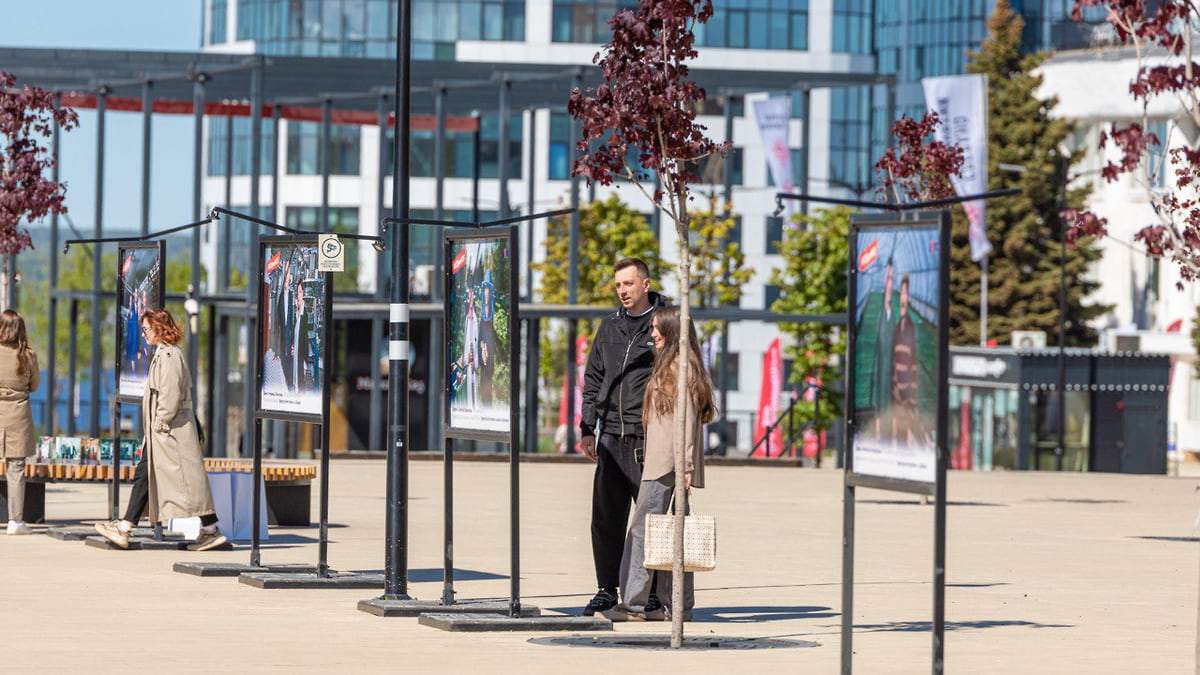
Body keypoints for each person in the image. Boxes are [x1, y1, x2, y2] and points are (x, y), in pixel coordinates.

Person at [604, 306, 714, 622]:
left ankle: (635, 605)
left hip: (669, 464)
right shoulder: (673, 365)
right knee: (674, 534)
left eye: (657, 328)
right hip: (666, 462)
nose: (653, 334)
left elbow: (687, 418)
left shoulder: (680, 369)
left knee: (644, 532)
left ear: (671, 331)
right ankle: (678, 605)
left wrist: (686, 466)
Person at [578, 257, 669, 616]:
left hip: (649, 439)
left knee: (651, 523)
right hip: (610, 438)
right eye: (618, 285)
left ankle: (649, 593)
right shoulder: (610, 326)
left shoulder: (666, 325)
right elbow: (594, 379)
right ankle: (606, 589)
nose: (622, 291)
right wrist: (588, 427)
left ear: (645, 285)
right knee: (605, 518)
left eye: (628, 284)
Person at [139, 308, 226, 551]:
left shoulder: (169, 356)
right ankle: (210, 528)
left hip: (171, 430)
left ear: (158, 328)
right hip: (168, 430)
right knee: (177, 479)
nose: (144, 334)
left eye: (146, 329)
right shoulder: (165, 353)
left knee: (189, 481)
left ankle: (211, 529)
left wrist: (159, 422)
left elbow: (170, 394)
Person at [0, 311, 39, 535]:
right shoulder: (28, 355)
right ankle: (15, 520)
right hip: (18, 414)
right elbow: (34, 386)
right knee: (15, 468)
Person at [891, 273, 918, 443]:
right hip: (895, 393)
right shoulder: (894, 325)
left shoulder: (912, 327)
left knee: (906, 436)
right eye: (901, 292)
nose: (903, 297)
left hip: (909, 394)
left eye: (906, 292)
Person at [874, 259, 896, 440]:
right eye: (888, 277)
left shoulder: (895, 312)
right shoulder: (877, 313)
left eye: (892, 278)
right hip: (881, 372)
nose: (890, 282)